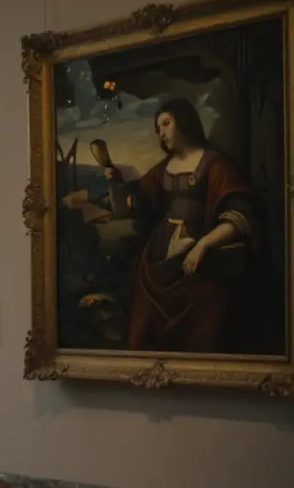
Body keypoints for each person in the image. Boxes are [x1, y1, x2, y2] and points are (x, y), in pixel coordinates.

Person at [103, 98, 262, 353]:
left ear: (184, 121)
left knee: (203, 343)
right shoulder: (162, 169)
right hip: (155, 266)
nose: (161, 132)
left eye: (166, 123)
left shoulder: (217, 164)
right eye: (158, 128)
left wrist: (204, 244)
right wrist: (114, 184)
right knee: (141, 339)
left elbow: (240, 215)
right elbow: (123, 210)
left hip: (200, 268)